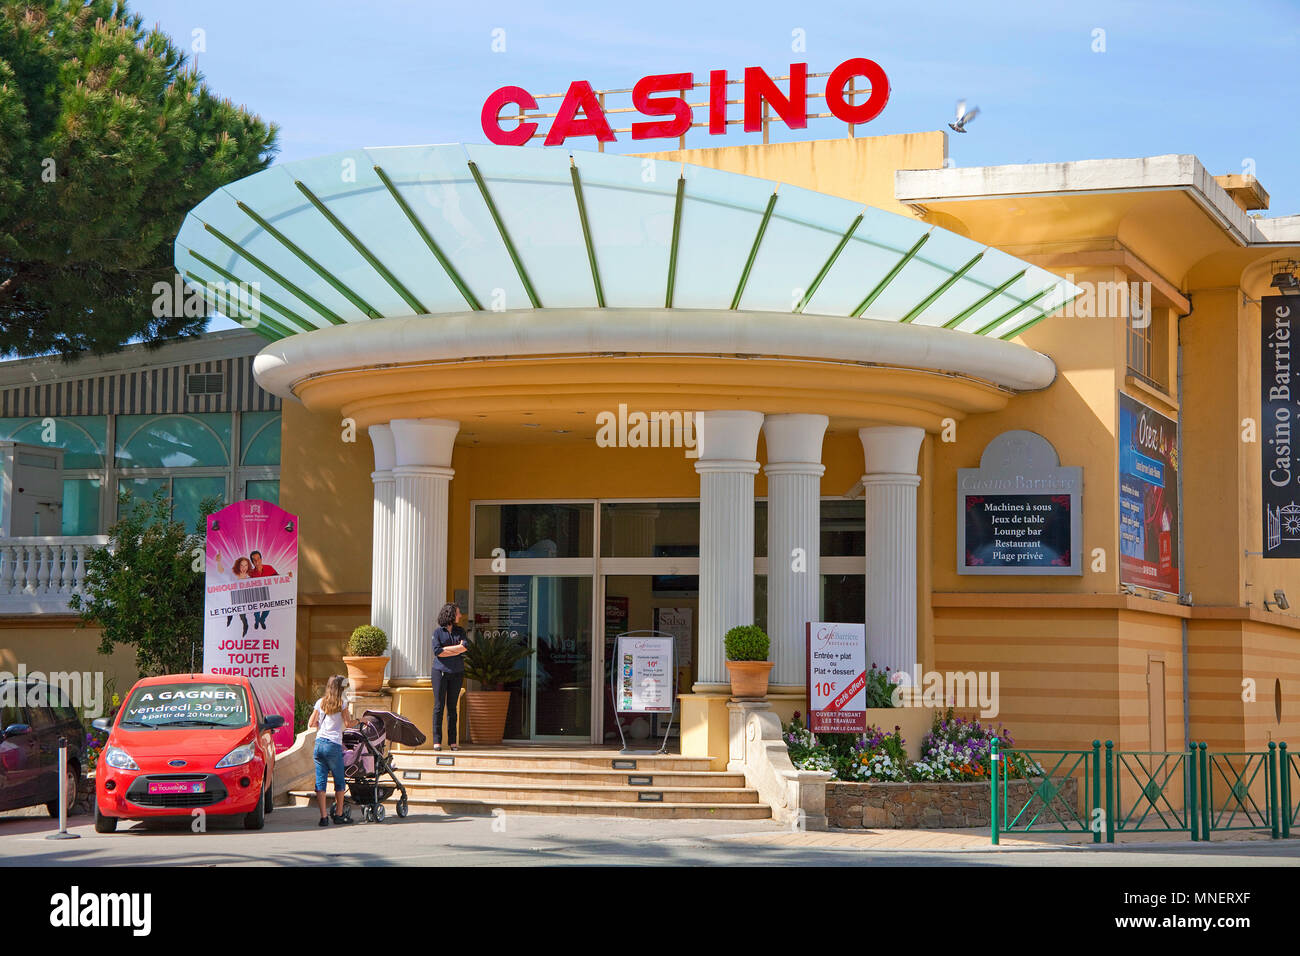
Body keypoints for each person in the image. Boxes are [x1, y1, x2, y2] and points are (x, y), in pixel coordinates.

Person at [307, 674, 358, 826]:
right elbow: (348, 724)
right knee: (339, 780)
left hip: (319, 744)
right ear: (341, 688)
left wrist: (322, 727)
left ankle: (323, 818)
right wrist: (360, 720)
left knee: (321, 782)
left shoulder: (320, 702)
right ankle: (339, 814)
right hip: (333, 745)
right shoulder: (342, 703)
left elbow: (311, 723)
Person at [431, 603, 469, 751]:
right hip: (439, 672)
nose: (460, 616)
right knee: (439, 706)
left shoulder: (460, 631)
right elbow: (437, 652)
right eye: (458, 613)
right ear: (451, 615)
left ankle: (453, 742)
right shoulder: (438, 632)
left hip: (457, 672)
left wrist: (446, 649)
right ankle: (437, 741)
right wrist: (456, 649)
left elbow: (465, 647)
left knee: (452, 707)